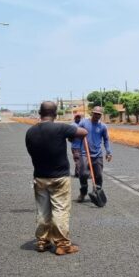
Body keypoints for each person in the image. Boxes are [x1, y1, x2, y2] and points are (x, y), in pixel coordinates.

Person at [25, 101, 87, 255]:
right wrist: (69, 137)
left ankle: (42, 241)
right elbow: (83, 132)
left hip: (39, 177)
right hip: (59, 178)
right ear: (55, 114)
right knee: (60, 210)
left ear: (40, 113)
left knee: (42, 211)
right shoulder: (61, 128)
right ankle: (62, 244)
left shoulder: (30, 132)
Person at [77, 106, 113, 203]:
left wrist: (108, 152)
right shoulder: (83, 123)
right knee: (83, 174)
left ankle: (96, 192)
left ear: (101, 115)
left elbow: (106, 140)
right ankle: (83, 192)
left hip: (97, 154)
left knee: (99, 175)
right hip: (84, 153)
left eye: (99, 114)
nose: (97, 115)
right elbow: (76, 133)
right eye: (95, 113)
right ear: (92, 113)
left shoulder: (103, 127)